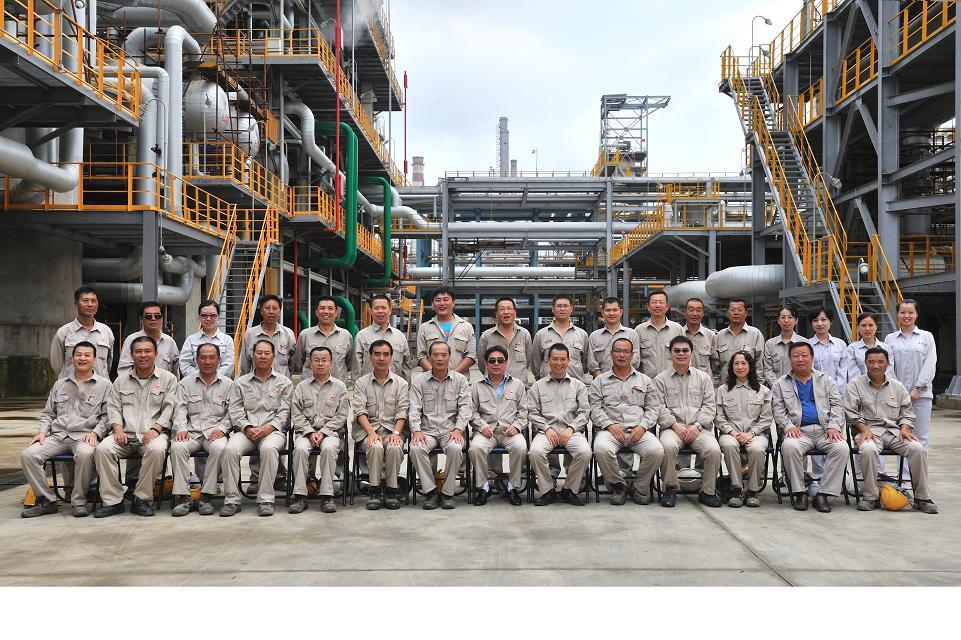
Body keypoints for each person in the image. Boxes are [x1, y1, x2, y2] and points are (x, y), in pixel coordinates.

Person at [20, 342, 110, 518]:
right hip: (58, 435)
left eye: (87, 355)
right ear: (72, 358)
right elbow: (48, 413)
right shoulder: (60, 384)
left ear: (94, 359)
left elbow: (107, 416)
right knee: (28, 455)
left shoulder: (105, 385)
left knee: (85, 453)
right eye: (78, 355)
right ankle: (47, 501)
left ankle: (79, 502)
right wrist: (42, 432)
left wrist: (96, 433)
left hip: (85, 436)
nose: (82, 358)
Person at [844, 346, 937, 514]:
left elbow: (907, 412)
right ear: (865, 363)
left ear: (887, 364)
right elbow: (851, 412)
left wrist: (905, 428)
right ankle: (871, 497)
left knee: (917, 449)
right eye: (871, 362)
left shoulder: (897, 386)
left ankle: (922, 498)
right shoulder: (855, 385)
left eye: (880, 362)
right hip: (868, 431)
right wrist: (863, 429)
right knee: (868, 450)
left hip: (894, 432)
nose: (876, 366)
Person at [93, 336, 178, 518]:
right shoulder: (120, 381)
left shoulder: (169, 379)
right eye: (138, 351)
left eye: (147, 351)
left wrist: (156, 429)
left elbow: (170, 408)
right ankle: (113, 501)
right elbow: (113, 408)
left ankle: (141, 498)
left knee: (157, 449)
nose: (143, 355)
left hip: (154, 433)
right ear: (131, 355)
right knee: (103, 449)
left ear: (156, 354)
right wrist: (117, 429)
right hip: (125, 433)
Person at [771, 342, 849, 512]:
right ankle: (800, 493)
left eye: (804, 355)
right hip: (799, 432)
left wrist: (834, 426)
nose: (800, 359)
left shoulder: (826, 380)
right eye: (795, 356)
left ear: (812, 358)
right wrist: (787, 426)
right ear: (790, 359)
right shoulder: (781, 384)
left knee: (842, 448)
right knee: (789, 447)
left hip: (824, 431)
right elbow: (778, 410)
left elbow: (837, 405)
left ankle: (823, 494)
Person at [221, 340, 293, 517]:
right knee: (230, 449)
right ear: (252, 356)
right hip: (246, 431)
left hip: (273, 432)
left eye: (267, 353)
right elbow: (235, 410)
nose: (262, 356)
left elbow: (285, 412)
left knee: (269, 449)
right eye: (259, 353)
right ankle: (232, 500)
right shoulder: (240, 383)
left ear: (273, 356)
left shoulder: (284, 382)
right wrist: (247, 427)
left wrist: (270, 428)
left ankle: (265, 499)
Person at [590, 337, 663, 505]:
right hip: (610, 431)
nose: (621, 355)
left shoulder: (644, 380)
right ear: (611, 354)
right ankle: (618, 486)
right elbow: (594, 409)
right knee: (601, 449)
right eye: (618, 351)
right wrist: (609, 425)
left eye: (626, 351)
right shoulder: (599, 381)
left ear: (632, 355)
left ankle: (639, 486)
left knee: (657, 450)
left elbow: (653, 408)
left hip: (638, 430)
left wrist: (643, 427)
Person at [654, 335, 722, 508]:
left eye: (685, 350)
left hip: (699, 428)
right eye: (676, 351)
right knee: (667, 447)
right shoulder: (660, 379)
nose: (681, 354)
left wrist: (697, 426)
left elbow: (709, 406)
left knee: (714, 450)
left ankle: (707, 492)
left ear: (691, 353)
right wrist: (675, 425)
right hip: (672, 428)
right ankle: (670, 489)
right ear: (670, 354)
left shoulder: (703, 378)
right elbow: (658, 407)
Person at [169, 343, 233, 517]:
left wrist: (223, 428)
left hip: (215, 432)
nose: (207, 361)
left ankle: (206, 496)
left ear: (219, 360)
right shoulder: (185, 384)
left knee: (220, 448)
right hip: (191, 432)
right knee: (177, 447)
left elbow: (232, 413)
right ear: (196, 360)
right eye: (203, 357)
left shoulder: (228, 384)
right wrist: (181, 428)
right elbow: (179, 410)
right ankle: (183, 497)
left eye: (212, 357)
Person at [408, 341, 472, 509]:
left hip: (450, 431)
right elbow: (414, 408)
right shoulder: (419, 381)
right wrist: (416, 431)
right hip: (426, 432)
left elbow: (466, 408)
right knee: (415, 448)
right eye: (435, 355)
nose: (440, 358)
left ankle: (447, 493)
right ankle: (431, 491)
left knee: (455, 448)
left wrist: (458, 429)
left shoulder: (460, 380)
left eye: (444, 355)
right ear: (429, 357)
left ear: (450, 357)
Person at [526, 344, 591, 506]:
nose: (559, 363)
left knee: (584, 452)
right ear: (548, 360)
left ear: (569, 361)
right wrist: (546, 428)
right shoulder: (537, 386)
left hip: (572, 431)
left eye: (563, 359)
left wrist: (571, 428)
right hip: (546, 432)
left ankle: (569, 490)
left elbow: (584, 412)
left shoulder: (578, 385)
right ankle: (548, 490)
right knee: (535, 452)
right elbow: (532, 412)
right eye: (555, 359)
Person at [289, 347, 349, 514]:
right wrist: (309, 432)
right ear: (310, 363)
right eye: (316, 360)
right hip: (305, 433)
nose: (320, 363)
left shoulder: (340, 387)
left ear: (331, 363)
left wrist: (324, 432)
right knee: (300, 449)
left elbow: (342, 415)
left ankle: (327, 495)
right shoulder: (301, 387)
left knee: (329, 448)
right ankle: (300, 496)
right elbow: (296, 414)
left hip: (331, 433)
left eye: (324, 360)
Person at [352, 339, 409, 510]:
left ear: (391, 357)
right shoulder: (361, 383)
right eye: (377, 354)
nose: (381, 358)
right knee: (375, 446)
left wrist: (396, 434)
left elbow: (403, 411)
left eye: (385, 354)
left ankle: (391, 491)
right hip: (367, 431)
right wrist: (371, 433)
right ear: (370, 357)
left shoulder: (401, 383)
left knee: (394, 447)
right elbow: (359, 411)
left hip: (394, 430)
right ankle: (375, 491)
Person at [468, 346, 528, 506]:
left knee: (521, 447)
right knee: (475, 448)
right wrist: (481, 426)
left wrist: (517, 426)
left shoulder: (517, 385)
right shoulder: (476, 386)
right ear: (486, 363)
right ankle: (483, 486)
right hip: (486, 432)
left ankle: (513, 486)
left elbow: (524, 411)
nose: (496, 364)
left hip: (510, 431)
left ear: (506, 363)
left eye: (500, 361)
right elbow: (471, 412)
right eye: (492, 360)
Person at [716, 351, 773, 508]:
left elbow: (766, 418)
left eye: (744, 363)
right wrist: (732, 432)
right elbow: (719, 417)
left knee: (757, 449)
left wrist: (751, 434)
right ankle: (737, 489)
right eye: (736, 363)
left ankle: (752, 490)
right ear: (731, 367)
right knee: (728, 445)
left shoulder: (763, 391)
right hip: (730, 433)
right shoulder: (722, 390)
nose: (740, 367)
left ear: (751, 366)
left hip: (757, 434)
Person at [885, 299, 937, 450]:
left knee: (921, 436)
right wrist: (897, 390)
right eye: (902, 312)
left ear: (916, 314)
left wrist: (918, 388)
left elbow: (930, 364)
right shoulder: (890, 339)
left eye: (910, 312)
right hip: (896, 397)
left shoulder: (926, 337)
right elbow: (888, 366)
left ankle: (919, 467)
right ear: (897, 314)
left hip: (921, 396)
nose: (906, 316)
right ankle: (903, 468)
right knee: (900, 436)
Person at [51, 286, 114, 380]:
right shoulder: (64, 332)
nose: (90, 304)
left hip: (99, 386)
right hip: (71, 386)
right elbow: (57, 365)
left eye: (93, 301)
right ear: (76, 303)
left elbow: (108, 363)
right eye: (85, 300)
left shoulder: (106, 331)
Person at [416, 287, 476, 374]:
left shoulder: (466, 327)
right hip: (431, 380)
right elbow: (421, 356)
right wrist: (435, 374)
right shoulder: (424, 328)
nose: (442, 303)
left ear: (453, 302)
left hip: (459, 380)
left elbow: (471, 356)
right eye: (438, 300)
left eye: (445, 300)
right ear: (433, 304)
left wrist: (453, 375)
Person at [295, 296, 353, 382]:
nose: (326, 312)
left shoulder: (345, 335)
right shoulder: (305, 335)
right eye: (322, 308)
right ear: (316, 312)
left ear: (336, 313)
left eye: (330, 308)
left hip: (337, 387)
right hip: (310, 386)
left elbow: (349, 362)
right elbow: (299, 362)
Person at [532, 295, 590, 381]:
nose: (562, 309)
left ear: (571, 309)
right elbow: (535, 363)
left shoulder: (582, 334)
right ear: (553, 309)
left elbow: (585, 363)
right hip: (548, 384)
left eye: (565, 306)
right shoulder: (541, 334)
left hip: (575, 385)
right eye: (559, 306)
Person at [354, 294, 412, 379]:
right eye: (376, 308)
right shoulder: (361, 336)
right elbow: (356, 368)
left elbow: (406, 366)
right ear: (371, 311)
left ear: (390, 310)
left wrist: (406, 386)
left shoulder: (400, 336)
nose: (380, 311)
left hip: (395, 386)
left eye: (384, 308)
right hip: (369, 386)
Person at [478, 296, 534, 384]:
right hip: (493, 387)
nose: (506, 312)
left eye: (509, 308)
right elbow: (482, 363)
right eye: (502, 309)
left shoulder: (524, 334)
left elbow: (529, 360)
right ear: (496, 314)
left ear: (515, 312)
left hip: (518, 387)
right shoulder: (486, 336)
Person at [117, 301, 179, 376]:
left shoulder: (170, 342)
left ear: (162, 318)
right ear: (141, 319)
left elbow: (175, 372)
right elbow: (124, 371)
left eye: (157, 316)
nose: (153, 319)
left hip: (164, 383)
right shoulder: (131, 340)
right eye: (148, 316)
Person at [239, 295, 296, 377]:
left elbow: (292, 363)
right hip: (256, 383)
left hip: (281, 383)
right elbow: (245, 365)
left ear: (279, 312)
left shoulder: (288, 334)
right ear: (261, 311)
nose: (271, 312)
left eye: (275, 308)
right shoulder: (250, 334)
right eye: (267, 308)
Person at [713, 298, 764, 385]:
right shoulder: (720, 335)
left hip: (749, 386)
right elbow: (715, 363)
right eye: (732, 310)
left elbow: (759, 363)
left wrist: (759, 385)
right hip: (726, 386)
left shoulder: (755, 334)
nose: (736, 313)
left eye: (739, 310)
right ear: (727, 313)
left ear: (746, 313)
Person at [180, 300, 235, 378]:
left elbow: (229, 365)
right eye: (204, 315)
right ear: (199, 317)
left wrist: (213, 379)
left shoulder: (227, 340)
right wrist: (200, 378)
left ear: (218, 317)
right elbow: (185, 364)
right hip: (195, 383)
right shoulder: (191, 340)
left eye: (212, 315)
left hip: (220, 383)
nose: (208, 319)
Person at [635, 291, 683, 378]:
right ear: (648, 307)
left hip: (672, 381)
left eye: (661, 302)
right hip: (648, 382)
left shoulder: (677, 329)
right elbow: (635, 359)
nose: (657, 305)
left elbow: (685, 357)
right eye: (654, 302)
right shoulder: (639, 330)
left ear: (667, 306)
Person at [588, 297, 640, 377]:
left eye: (615, 310)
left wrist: (621, 378)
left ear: (621, 312)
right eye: (608, 310)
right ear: (602, 313)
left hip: (627, 380)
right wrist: (603, 380)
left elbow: (635, 361)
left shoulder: (632, 334)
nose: (611, 313)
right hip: (601, 382)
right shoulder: (594, 336)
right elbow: (592, 364)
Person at [808, 306, 851, 397]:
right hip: (813, 394)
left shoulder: (840, 344)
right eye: (815, 320)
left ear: (831, 321)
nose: (819, 323)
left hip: (837, 395)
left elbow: (843, 373)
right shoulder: (807, 345)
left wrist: (836, 393)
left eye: (823, 320)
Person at [763, 304, 806, 388]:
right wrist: (778, 387)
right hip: (776, 390)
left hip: (798, 389)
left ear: (796, 320)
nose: (786, 320)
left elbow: (807, 368)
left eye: (790, 317)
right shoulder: (770, 344)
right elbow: (768, 370)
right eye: (783, 317)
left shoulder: (804, 343)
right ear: (778, 320)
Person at [847, 312, 894, 378]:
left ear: (876, 327)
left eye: (870, 325)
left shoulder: (886, 348)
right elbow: (853, 375)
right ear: (858, 327)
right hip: (861, 384)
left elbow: (889, 373)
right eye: (863, 325)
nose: (867, 329)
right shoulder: (852, 349)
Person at [681, 297, 716, 377]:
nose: (695, 314)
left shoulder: (711, 335)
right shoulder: (679, 334)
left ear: (703, 313)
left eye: (698, 310)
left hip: (705, 382)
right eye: (691, 310)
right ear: (685, 312)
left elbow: (715, 363)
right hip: (684, 381)